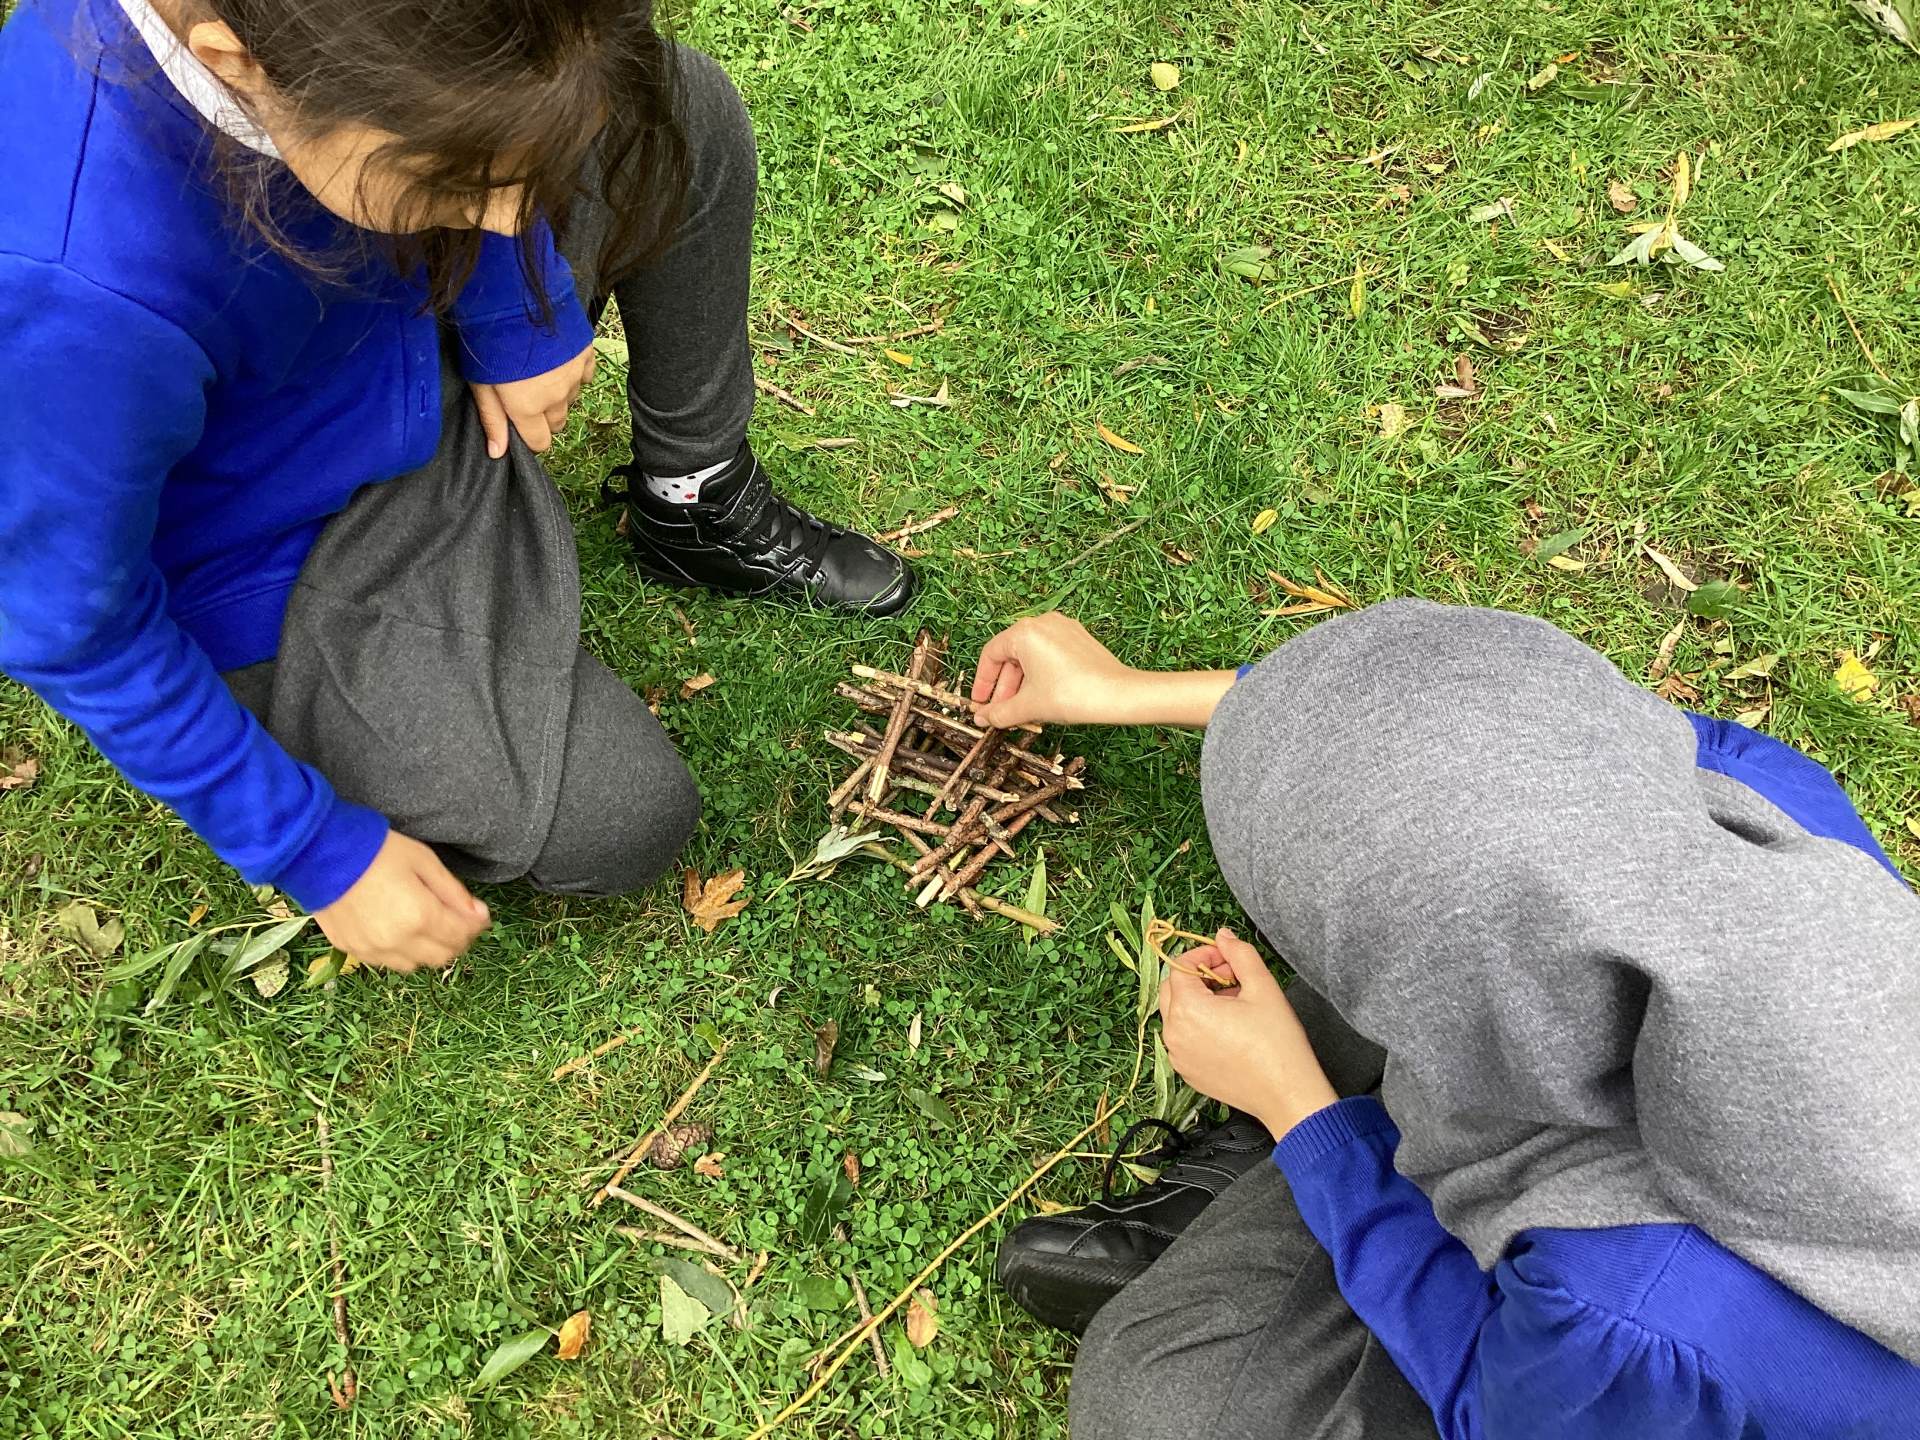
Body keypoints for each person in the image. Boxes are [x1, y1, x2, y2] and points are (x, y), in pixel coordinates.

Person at [0, 0, 914, 975]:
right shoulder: (76, 291)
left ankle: (692, 496)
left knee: (672, 109)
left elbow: (489, 102)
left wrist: (515, 302)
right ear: (236, 62)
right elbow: (65, 623)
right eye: (452, 181)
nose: (520, 216)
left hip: (393, 337)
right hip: (282, 546)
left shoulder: (354, 79)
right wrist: (316, 850)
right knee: (623, 816)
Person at [977, 604, 1920, 1438]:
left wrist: (1296, 1109)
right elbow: (1494, 727)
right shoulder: (1771, 799)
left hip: (1591, 1393)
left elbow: (1491, 1405)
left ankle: (1296, 1176)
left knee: (1151, 1398)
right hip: (1614, 1193)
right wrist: (1126, 691)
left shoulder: (1628, 1315)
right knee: (1421, 912)